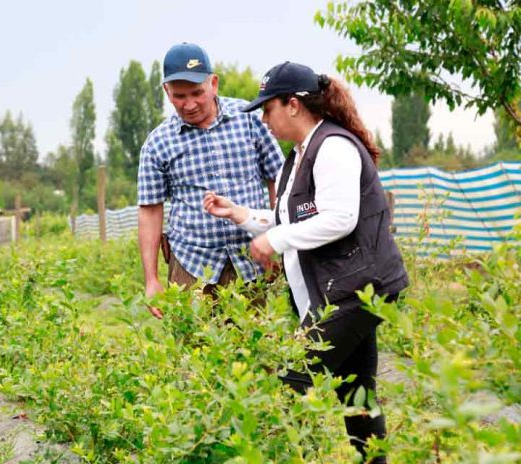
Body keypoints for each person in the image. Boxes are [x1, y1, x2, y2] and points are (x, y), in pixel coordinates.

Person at [203, 61, 409, 462]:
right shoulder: (296, 157)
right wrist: (241, 215)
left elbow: (339, 217)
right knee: (357, 394)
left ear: (293, 105)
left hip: (354, 292)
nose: (264, 119)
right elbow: (292, 220)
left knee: (291, 381)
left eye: (268, 108)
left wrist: (274, 240)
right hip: (340, 294)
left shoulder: (332, 146)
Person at [137, 43, 285, 318]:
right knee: (194, 351)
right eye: (179, 96)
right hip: (192, 264)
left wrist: (279, 242)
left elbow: (279, 179)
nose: (190, 104)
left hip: (253, 259)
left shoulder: (250, 120)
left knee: (258, 352)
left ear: (213, 84)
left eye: (197, 93)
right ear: (166, 92)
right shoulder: (157, 143)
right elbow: (150, 210)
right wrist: (152, 279)